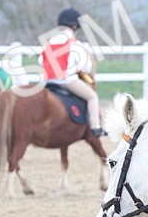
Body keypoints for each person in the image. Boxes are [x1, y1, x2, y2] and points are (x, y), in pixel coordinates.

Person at [40, 8, 105, 136]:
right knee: (92, 96)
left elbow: (40, 60)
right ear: (75, 26)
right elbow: (86, 67)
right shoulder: (73, 43)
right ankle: (96, 127)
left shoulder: (49, 41)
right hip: (66, 80)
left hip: (48, 80)